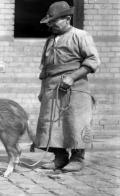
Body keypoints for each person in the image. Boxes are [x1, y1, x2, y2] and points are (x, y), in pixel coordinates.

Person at [35, 1, 101, 172]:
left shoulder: (80, 35)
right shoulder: (50, 40)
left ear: (67, 19)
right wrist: (42, 90)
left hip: (75, 88)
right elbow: (45, 68)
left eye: (54, 21)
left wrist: (72, 77)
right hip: (51, 87)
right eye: (50, 21)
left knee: (75, 122)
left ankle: (78, 158)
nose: (51, 24)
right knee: (51, 124)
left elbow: (93, 60)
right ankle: (60, 157)